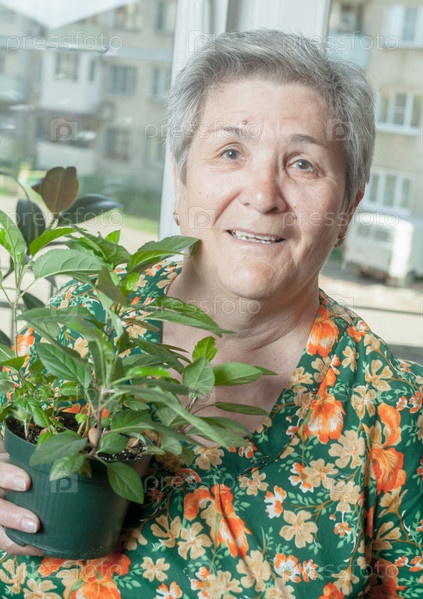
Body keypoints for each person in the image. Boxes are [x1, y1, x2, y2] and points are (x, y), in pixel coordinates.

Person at [0, 28, 422, 599]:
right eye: (230, 153)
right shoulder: (79, 323)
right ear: (180, 182)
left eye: (302, 164)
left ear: (347, 209)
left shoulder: (394, 414)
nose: (263, 195)